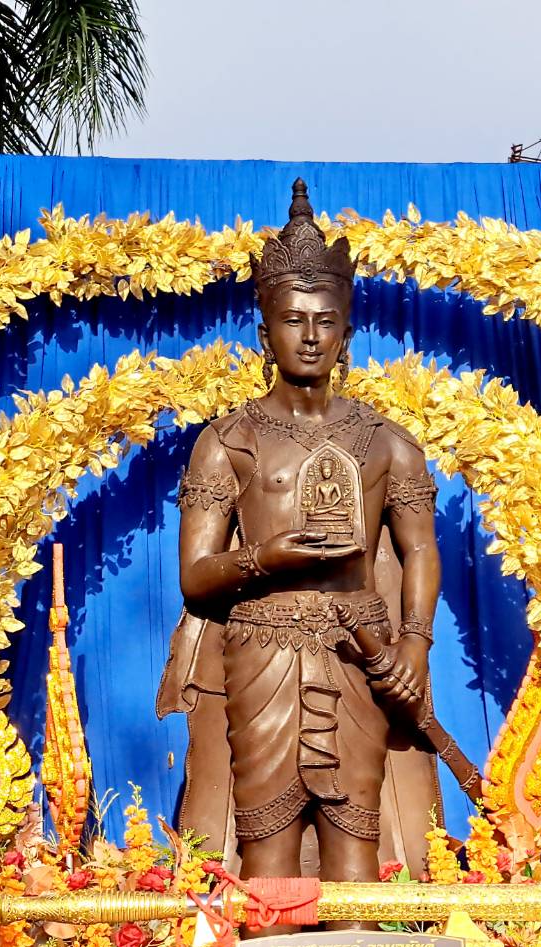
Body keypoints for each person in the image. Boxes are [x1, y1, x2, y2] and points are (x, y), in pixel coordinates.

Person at [158, 180, 444, 900]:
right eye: (293, 320)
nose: (310, 336)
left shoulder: (387, 442)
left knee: (355, 839)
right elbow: (196, 576)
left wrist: (414, 646)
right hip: (262, 650)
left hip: (360, 651)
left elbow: (418, 550)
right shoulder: (228, 440)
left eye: (325, 321)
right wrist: (267, 558)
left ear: (346, 334)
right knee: (269, 848)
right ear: (266, 335)